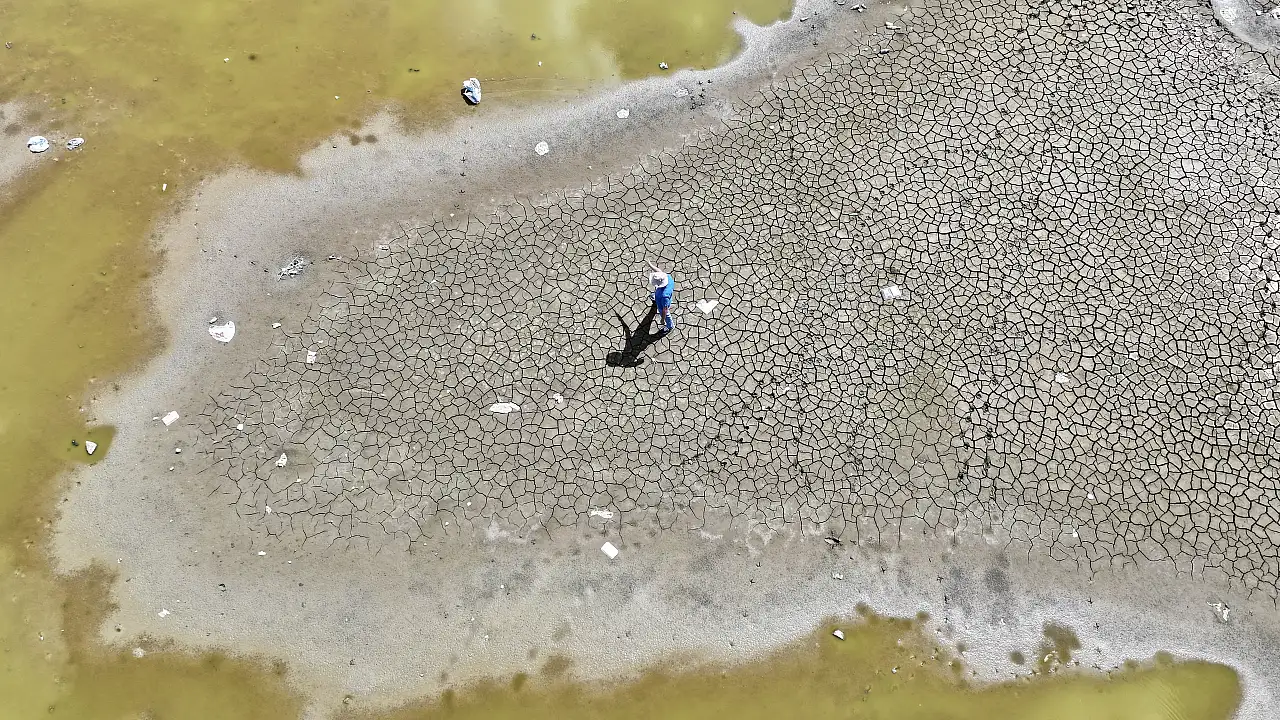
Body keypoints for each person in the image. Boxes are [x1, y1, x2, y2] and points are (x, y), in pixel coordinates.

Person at [649, 263, 675, 332]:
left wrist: (662, 319)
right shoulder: (667, 277)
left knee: (667, 316)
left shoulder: (664, 296)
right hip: (660, 296)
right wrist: (650, 265)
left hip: (662, 305)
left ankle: (670, 326)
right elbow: (659, 271)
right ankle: (655, 297)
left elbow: (665, 310)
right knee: (657, 295)